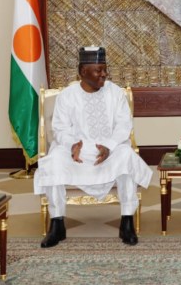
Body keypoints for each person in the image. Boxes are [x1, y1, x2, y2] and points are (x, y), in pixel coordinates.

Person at [34, 46, 153, 247]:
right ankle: (57, 223)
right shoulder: (67, 95)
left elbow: (124, 125)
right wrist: (72, 144)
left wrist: (109, 146)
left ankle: (127, 222)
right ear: (83, 72)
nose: (104, 74)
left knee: (126, 156)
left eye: (105, 69)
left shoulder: (115, 93)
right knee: (53, 161)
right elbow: (60, 128)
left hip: (109, 150)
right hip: (77, 152)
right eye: (98, 70)